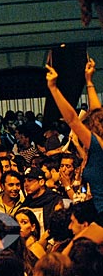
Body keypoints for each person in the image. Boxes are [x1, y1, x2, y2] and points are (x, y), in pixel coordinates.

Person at [46, 59, 103, 244]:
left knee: (73, 248)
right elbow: (96, 111)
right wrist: (89, 80)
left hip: (101, 215)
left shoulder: (97, 145)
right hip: (97, 211)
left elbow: (72, 119)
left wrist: (53, 88)